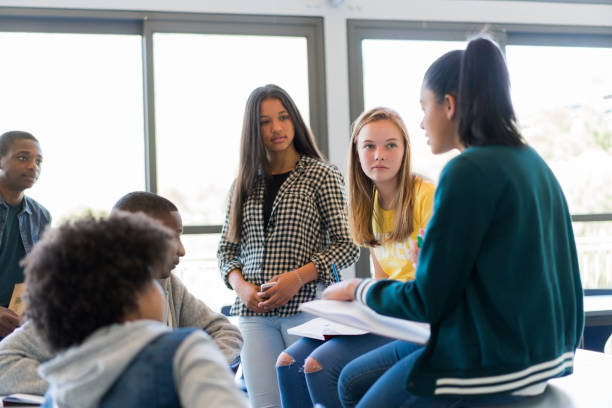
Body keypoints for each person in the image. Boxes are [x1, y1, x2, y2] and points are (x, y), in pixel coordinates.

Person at [323, 36, 583, 407]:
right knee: (352, 382)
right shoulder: (531, 161)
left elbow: (427, 301)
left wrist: (358, 290)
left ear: (449, 105)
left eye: (423, 107)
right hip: (546, 358)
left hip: (495, 365)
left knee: (358, 396)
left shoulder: (467, 170)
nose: (422, 122)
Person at [0, 191, 243, 395]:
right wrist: (88, 385)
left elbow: (226, 331)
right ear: (135, 238)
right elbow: (4, 363)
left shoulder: (168, 284)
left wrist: (190, 370)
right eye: (172, 237)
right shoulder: (81, 298)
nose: (182, 250)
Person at [276, 107, 435, 408]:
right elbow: (383, 279)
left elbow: (432, 282)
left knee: (317, 366)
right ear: (357, 153)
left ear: (404, 151)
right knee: (287, 362)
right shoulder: (368, 204)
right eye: (369, 146)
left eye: (390, 145)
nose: (379, 155)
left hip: (413, 319)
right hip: (385, 313)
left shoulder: (426, 195)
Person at [218, 84, 359, 407]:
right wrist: (241, 288)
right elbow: (226, 252)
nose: (276, 128)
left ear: (294, 120)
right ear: (254, 130)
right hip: (253, 315)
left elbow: (347, 244)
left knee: (304, 401)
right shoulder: (243, 183)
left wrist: (297, 277)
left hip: (306, 308)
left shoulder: (321, 175)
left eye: (282, 117)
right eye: (265, 121)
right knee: (264, 403)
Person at [0, 131, 50, 338]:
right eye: (23, 158)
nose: (33, 166)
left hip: (17, 326)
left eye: (38, 161)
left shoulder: (41, 215)